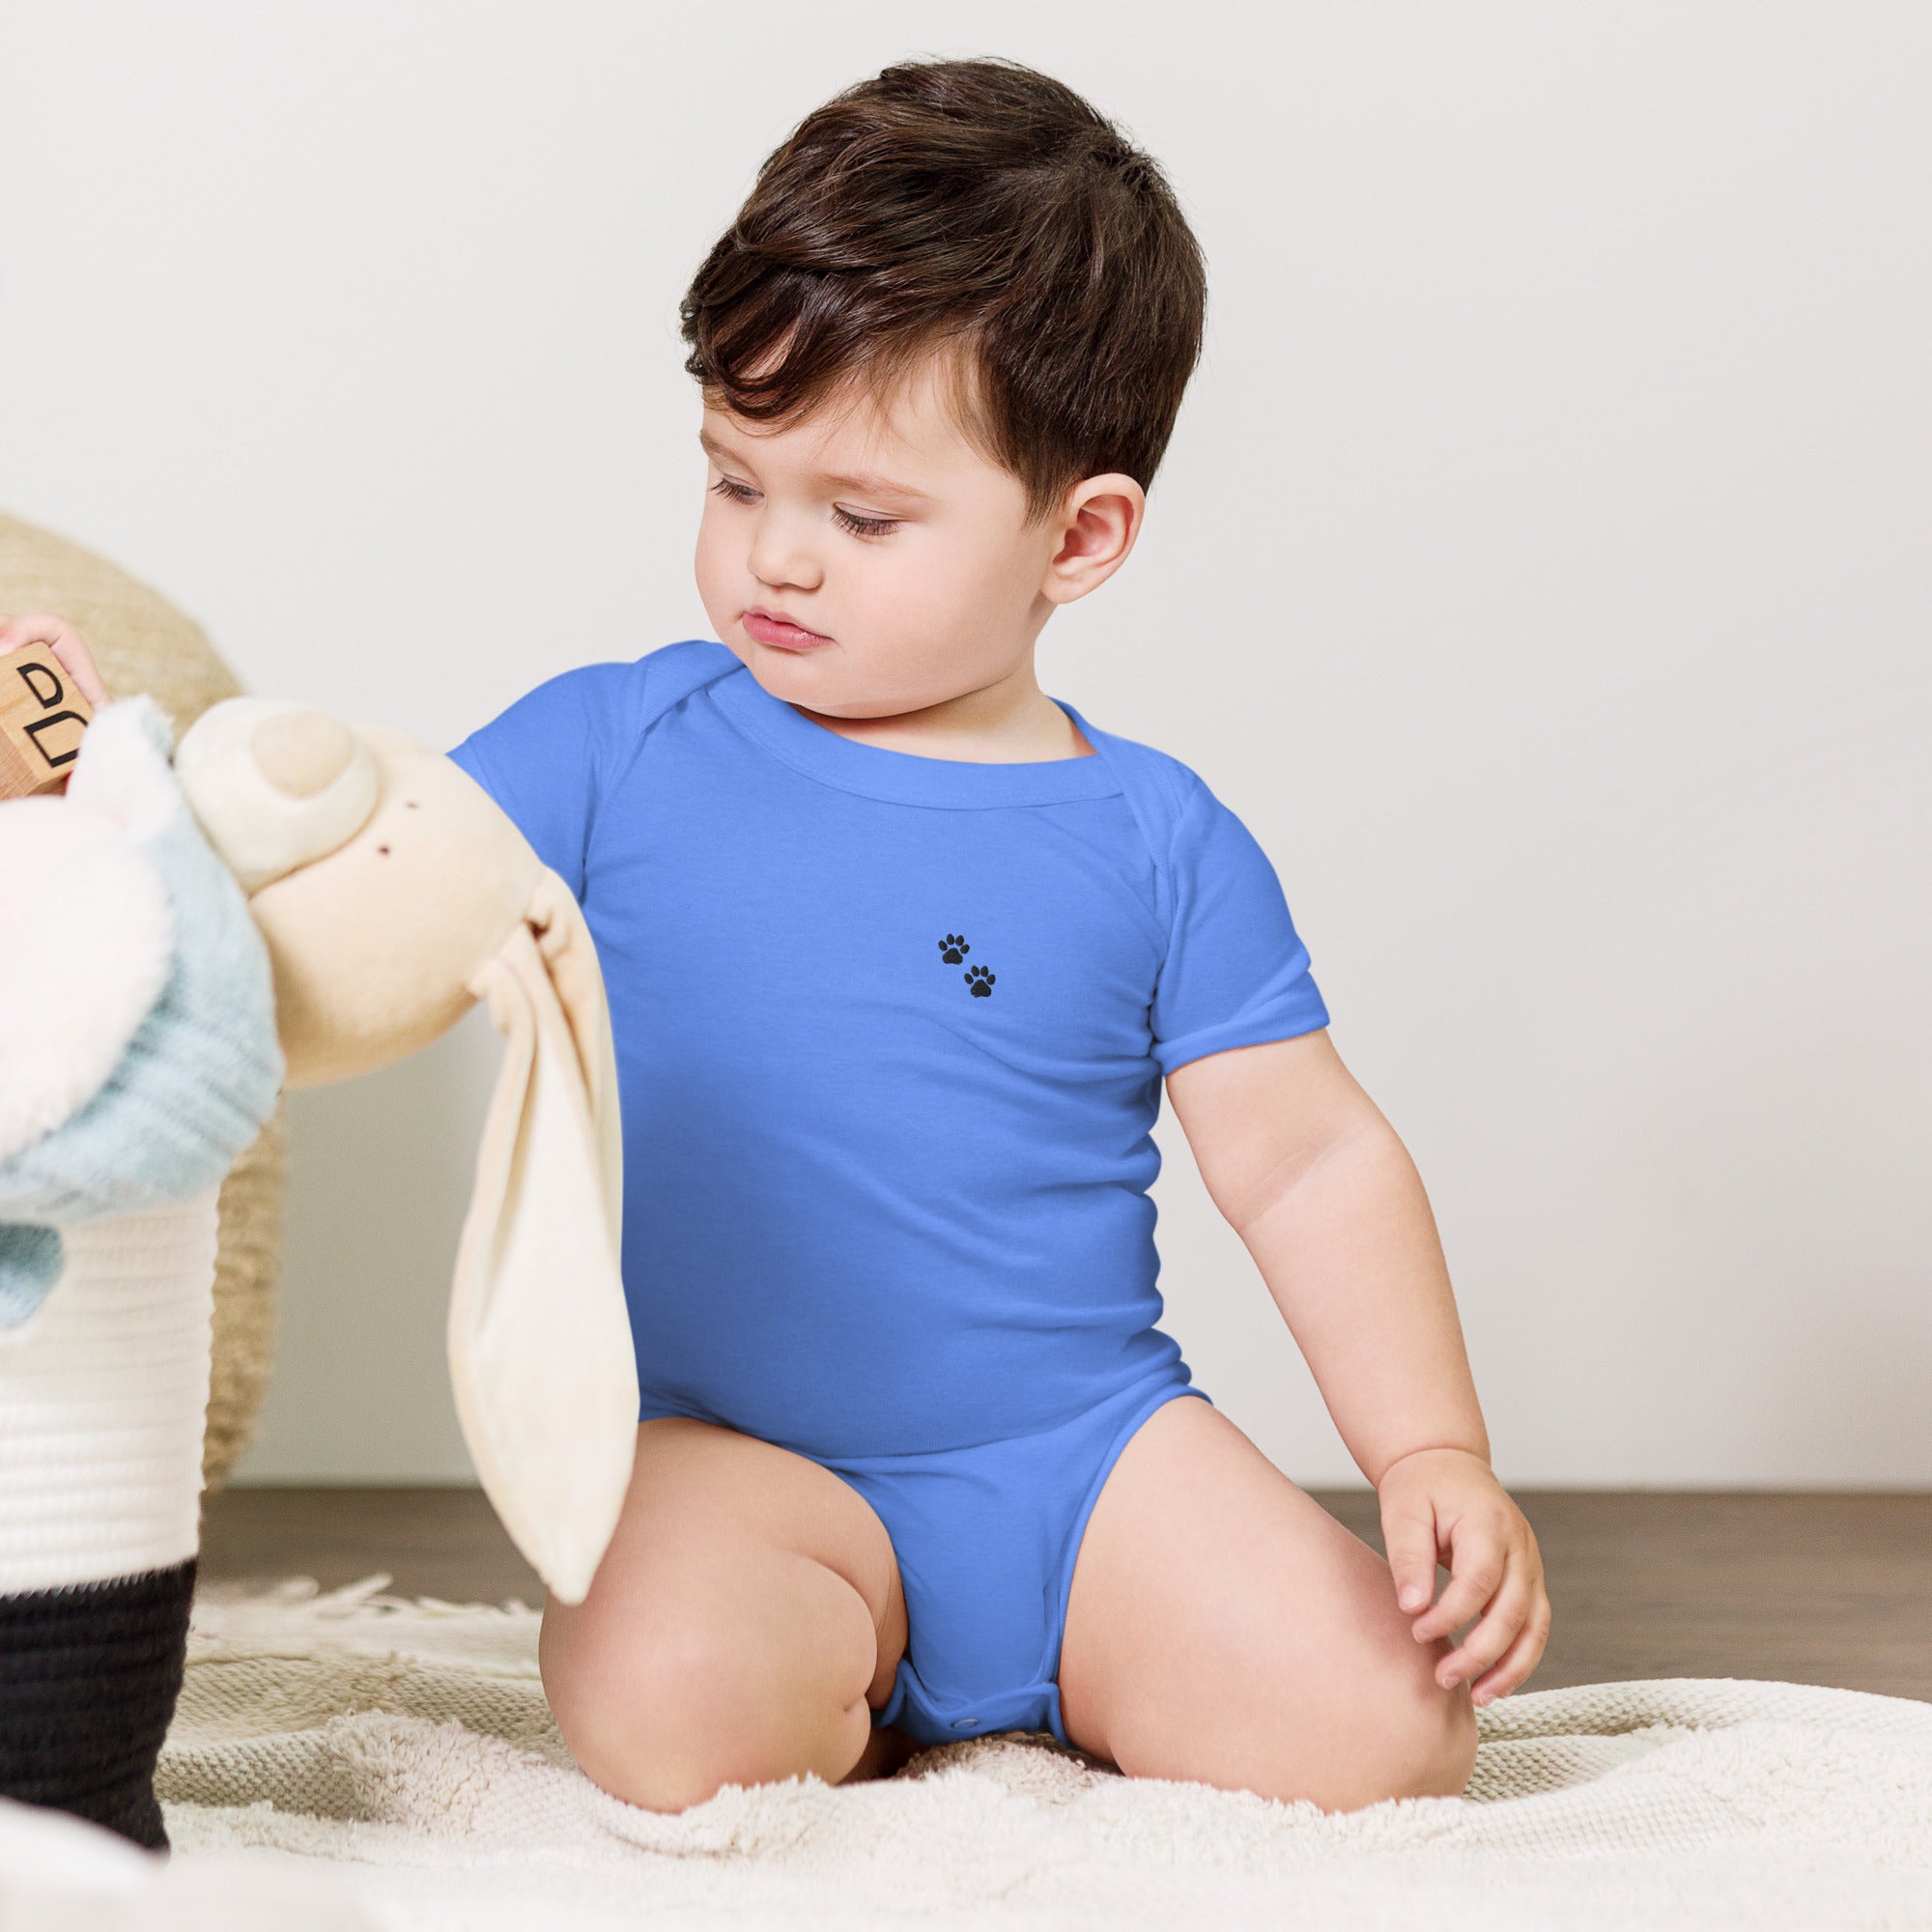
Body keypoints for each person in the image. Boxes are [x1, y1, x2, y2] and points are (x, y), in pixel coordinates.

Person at [5, 53, 1549, 1817]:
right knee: (661, 1706)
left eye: (863, 516)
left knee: (1391, 1737)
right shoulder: (618, 746)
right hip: (738, 1461)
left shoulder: (1157, 839)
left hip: (1082, 1458)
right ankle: (852, 1672)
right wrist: (125, 831)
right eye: (738, 482)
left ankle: (1035, 1670)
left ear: (1084, 534)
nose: (774, 561)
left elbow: (1309, 1165)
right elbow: (369, 886)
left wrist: (1428, 1449)